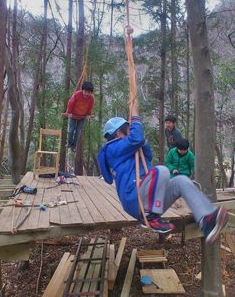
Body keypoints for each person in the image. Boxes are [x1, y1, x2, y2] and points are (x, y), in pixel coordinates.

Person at [98, 102, 227, 244]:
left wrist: (141, 140)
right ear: (119, 133)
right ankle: (150, 214)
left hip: (148, 198)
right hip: (135, 198)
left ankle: (206, 220)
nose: (131, 132)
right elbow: (136, 139)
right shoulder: (111, 149)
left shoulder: (128, 149)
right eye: (128, 129)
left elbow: (147, 156)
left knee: (181, 181)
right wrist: (135, 116)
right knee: (162, 170)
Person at [62, 81, 94, 152]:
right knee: (71, 130)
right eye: (85, 92)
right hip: (73, 116)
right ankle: (70, 143)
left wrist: (89, 114)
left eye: (89, 92)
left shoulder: (91, 98)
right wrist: (69, 112)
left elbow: (90, 107)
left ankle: (74, 145)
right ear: (82, 90)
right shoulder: (77, 94)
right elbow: (70, 103)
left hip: (82, 117)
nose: (87, 94)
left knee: (78, 131)